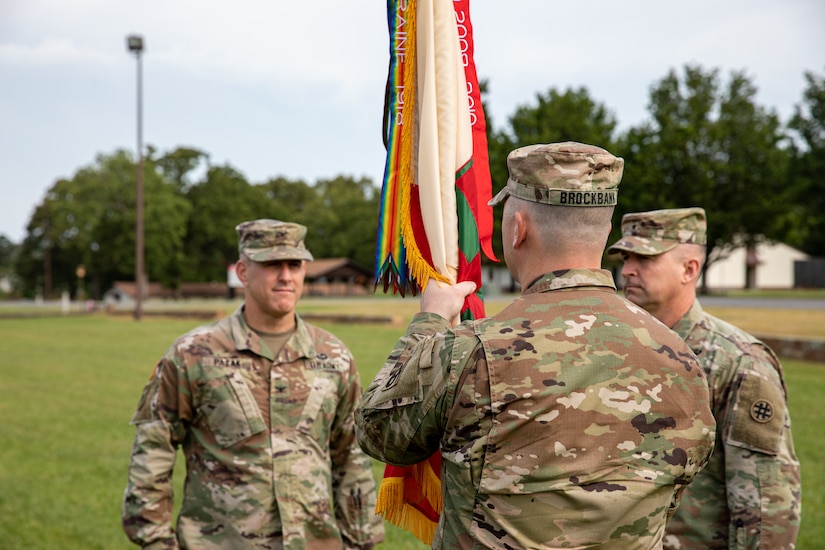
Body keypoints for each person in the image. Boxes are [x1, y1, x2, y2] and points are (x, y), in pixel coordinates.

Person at [354, 142, 717, 549]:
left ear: (517, 228)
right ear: (603, 230)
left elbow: (379, 432)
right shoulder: (682, 359)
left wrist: (430, 322)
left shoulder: (471, 351)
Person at [122, 219, 384, 549]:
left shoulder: (333, 357)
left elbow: (351, 458)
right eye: (273, 264)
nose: (286, 276)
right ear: (244, 272)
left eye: (295, 264)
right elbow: (152, 452)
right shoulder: (193, 354)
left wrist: (360, 542)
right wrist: (157, 541)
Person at [607, 207, 801, 549]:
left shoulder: (738, 362)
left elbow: (766, 507)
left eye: (644, 258)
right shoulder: (619, 350)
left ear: (689, 269)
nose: (628, 270)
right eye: (626, 258)